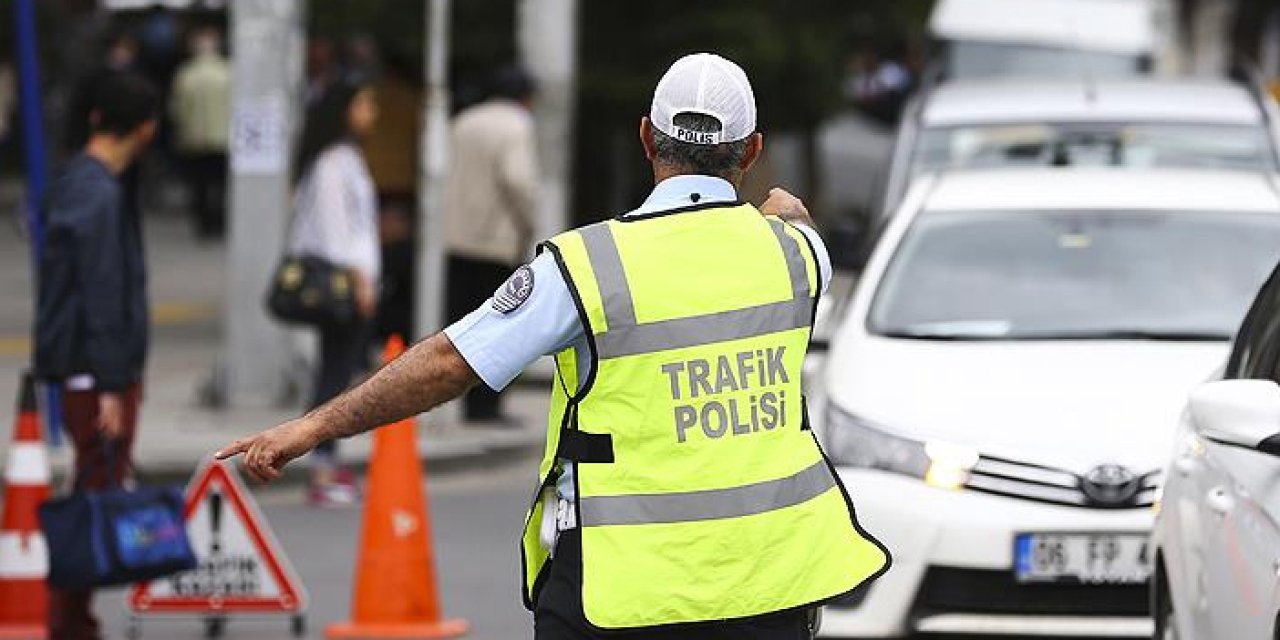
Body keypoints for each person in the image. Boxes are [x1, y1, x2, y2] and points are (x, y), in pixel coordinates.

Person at [218, 53, 890, 639]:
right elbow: (788, 223)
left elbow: (453, 363)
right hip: (767, 586)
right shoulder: (800, 257)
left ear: (646, 139)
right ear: (751, 150)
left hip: (621, 593)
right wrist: (782, 214)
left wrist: (312, 426)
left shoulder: (585, 267)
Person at [34, 71, 158, 640]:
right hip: (93, 370)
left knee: (91, 484)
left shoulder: (76, 182)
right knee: (91, 491)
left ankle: (72, 617)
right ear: (146, 130)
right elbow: (103, 292)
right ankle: (69, 621)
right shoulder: (100, 193)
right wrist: (114, 382)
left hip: (85, 365)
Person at [285, 79, 381, 508]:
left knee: (337, 370)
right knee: (334, 374)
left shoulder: (344, 157)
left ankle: (326, 460)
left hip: (352, 281)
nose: (372, 111)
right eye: (365, 102)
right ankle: (321, 466)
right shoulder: (332, 162)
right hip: (342, 284)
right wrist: (360, 280)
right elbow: (335, 231)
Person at [443, 65, 540, 425]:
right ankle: (487, 406)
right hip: (496, 240)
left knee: (464, 324)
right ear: (525, 98)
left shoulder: (464, 121)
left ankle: (467, 403)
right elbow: (517, 179)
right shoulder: (517, 125)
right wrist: (528, 223)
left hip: (457, 236)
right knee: (500, 326)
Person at [169, 25, 231, 239]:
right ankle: (219, 221)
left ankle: (204, 222)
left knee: (200, 183)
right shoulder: (228, 73)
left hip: (195, 138)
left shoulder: (186, 75)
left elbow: (178, 108)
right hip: (223, 138)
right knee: (220, 183)